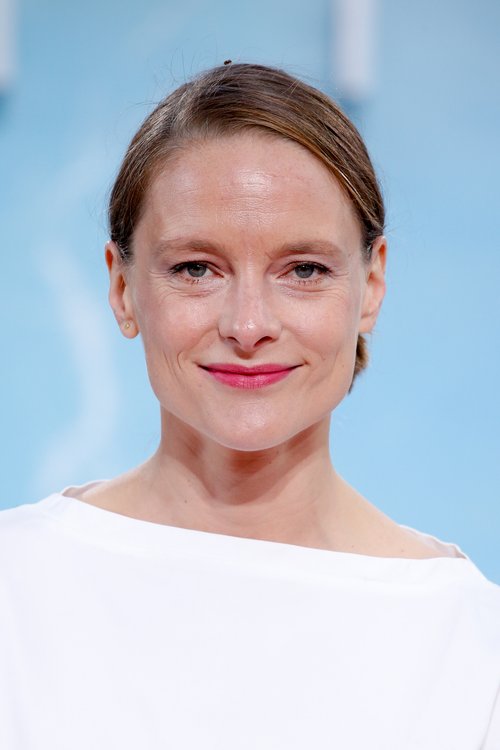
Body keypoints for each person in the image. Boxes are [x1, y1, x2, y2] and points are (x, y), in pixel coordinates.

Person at [1, 63, 499, 749]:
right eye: (196, 268)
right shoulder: (15, 585)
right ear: (121, 288)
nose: (248, 325)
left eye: (304, 270)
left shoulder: (469, 643)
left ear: (372, 285)